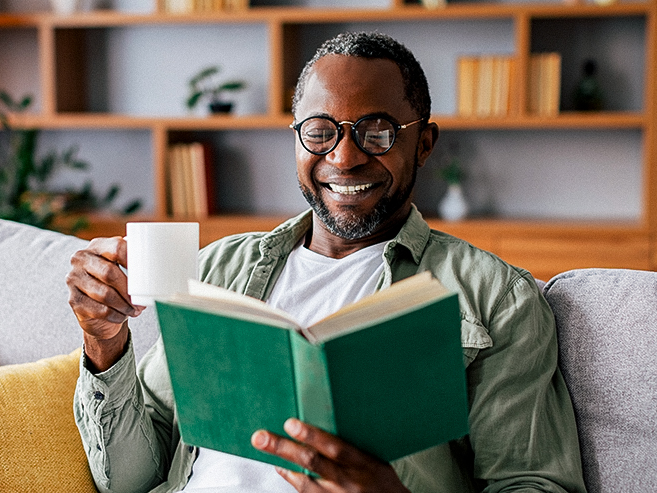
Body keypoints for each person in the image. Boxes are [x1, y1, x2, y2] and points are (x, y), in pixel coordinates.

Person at [66, 31, 587, 493]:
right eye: (320, 131)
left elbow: (533, 483)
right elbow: (130, 478)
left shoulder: (496, 298)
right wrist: (105, 344)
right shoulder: (218, 269)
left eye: (377, 131)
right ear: (296, 138)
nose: (344, 156)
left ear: (423, 143)